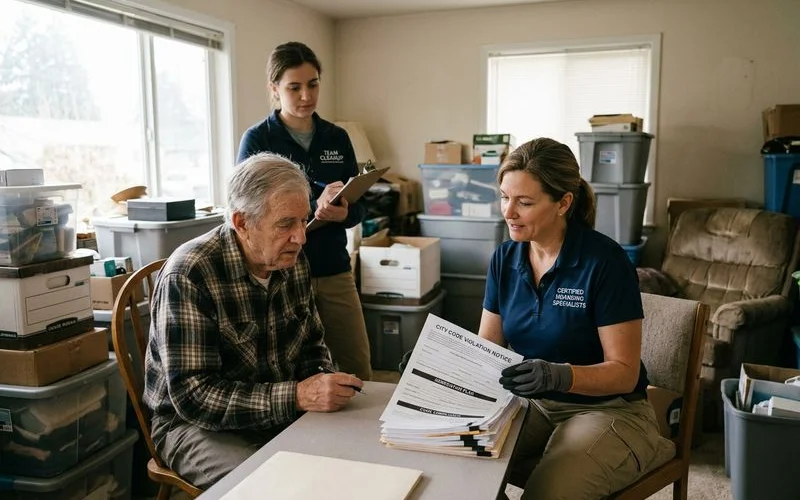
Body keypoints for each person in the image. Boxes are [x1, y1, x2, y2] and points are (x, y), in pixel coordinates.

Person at [143, 153, 364, 489]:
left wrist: (324, 380)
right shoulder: (190, 274)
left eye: (303, 221)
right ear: (242, 223)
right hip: (193, 425)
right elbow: (193, 397)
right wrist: (297, 396)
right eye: (285, 224)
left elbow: (311, 345)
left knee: (356, 454)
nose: (301, 237)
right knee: (270, 486)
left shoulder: (293, 260)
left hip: (275, 409)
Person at [479, 138, 673, 499]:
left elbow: (624, 372)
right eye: (505, 197)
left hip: (610, 410)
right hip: (534, 404)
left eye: (524, 202)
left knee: (549, 493)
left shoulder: (605, 262)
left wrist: (559, 374)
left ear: (563, 203)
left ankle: (640, 446)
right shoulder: (504, 259)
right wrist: (440, 364)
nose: (509, 212)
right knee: (456, 455)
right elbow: (487, 350)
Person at [237, 41, 372, 381]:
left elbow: (360, 207)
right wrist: (314, 206)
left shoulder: (336, 137)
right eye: (293, 87)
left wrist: (344, 214)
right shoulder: (258, 140)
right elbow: (249, 211)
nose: (306, 96)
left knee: (357, 366)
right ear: (274, 88)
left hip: (333, 268)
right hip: (280, 274)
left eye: (312, 84)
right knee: (291, 373)